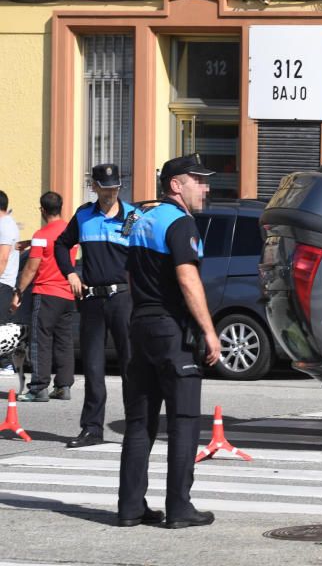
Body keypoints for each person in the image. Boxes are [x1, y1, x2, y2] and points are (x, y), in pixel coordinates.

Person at [118, 154, 221, 529]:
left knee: (140, 422)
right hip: (171, 330)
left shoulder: (142, 221)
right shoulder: (180, 224)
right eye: (199, 180)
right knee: (184, 420)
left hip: (140, 326)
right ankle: (179, 508)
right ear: (176, 185)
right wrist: (209, 331)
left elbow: (131, 278)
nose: (205, 188)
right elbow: (187, 279)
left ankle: (130, 508)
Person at [55, 164, 136, 448]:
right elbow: (60, 245)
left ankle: (136, 428)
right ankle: (92, 429)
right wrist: (71, 273)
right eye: (105, 187)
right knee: (92, 366)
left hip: (124, 299)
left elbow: (147, 255)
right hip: (91, 300)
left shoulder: (134, 217)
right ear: (95, 187)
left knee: (131, 365)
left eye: (115, 187)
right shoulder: (83, 215)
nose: (111, 192)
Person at [10, 192, 76, 402]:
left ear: (42, 210)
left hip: (46, 293)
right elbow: (55, 243)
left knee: (41, 340)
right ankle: (63, 386)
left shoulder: (41, 234)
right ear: (61, 207)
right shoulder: (70, 230)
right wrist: (31, 241)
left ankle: (39, 387)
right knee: (64, 341)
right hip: (67, 293)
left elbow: (31, 267)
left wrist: (19, 290)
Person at [0, 191, 19, 376]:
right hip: (4, 281)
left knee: (1, 325)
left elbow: (3, 258)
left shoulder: (5, 225)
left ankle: (6, 363)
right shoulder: (6, 224)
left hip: (2, 282)